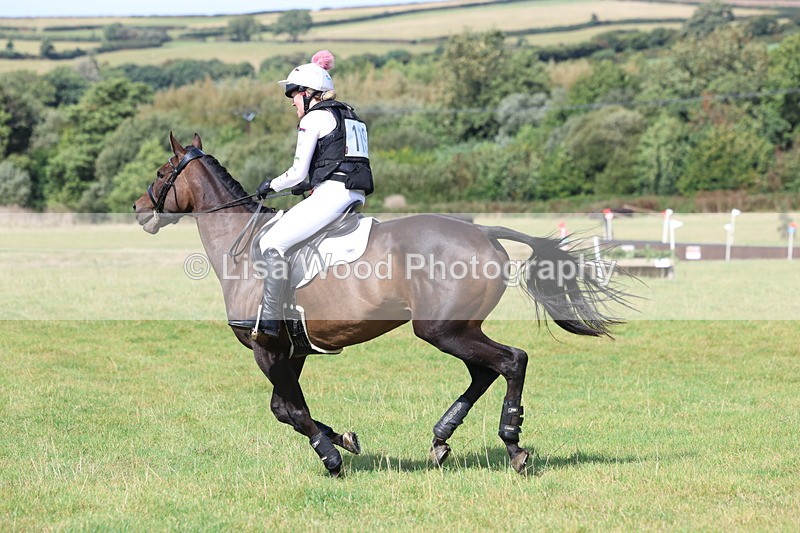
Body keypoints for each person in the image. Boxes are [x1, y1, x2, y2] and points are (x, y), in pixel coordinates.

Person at [249, 50, 374, 338]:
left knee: (272, 242)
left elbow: (296, 172)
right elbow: (342, 160)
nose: (293, 103)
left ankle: (270, 321)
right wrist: (308, 185)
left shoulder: (313, 119)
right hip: (354, 194)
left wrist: (270, 186)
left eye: (293, 95)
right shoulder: (350, 115)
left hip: (333, 196)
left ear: (308, 93)